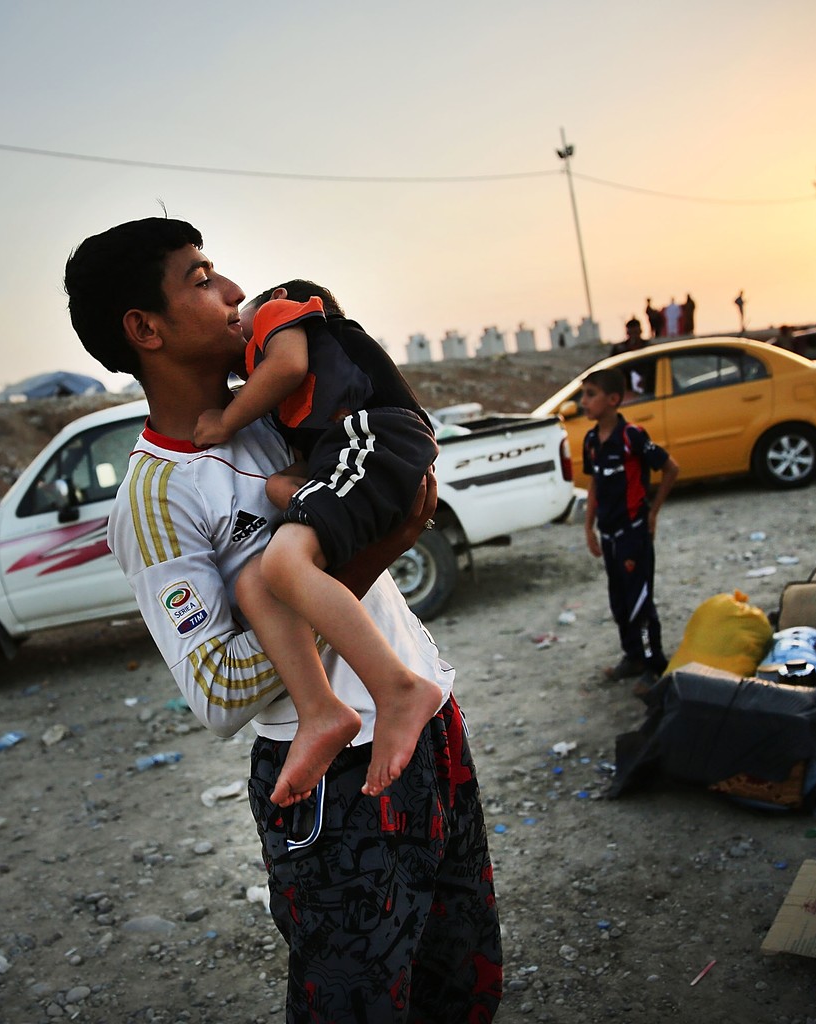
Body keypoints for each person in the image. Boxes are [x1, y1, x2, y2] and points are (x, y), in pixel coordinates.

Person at [63, 217, 503, 1021]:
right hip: (340, 787)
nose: (234, 295)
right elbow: (220, 692)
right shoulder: (157, 496)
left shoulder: (286, 413)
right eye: (201, 279)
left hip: (430, 728)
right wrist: (382, 549)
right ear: (144, 329)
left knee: (463, 988)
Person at [191, 280, 444, 806]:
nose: (234, 311)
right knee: (258, 583)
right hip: (356, 451)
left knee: (284, 564)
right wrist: (282, 488)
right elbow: (304, 470)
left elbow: (282, 366)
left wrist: (226, 420)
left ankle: (397, 688)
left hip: (379, 436)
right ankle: (320, 710)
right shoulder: (307, 404)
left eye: (243, 317)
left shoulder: (285, 315)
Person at [581, 367, 680, 685]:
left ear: (613, 399)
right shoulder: (592, 440)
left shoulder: (632, 436)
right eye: (583, 394)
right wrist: (589, 527)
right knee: (620, 602)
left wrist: (653, 514)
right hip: (609, 536)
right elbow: (595, 483)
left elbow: (670, 468)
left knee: (640, 601)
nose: (584, 402)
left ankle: (655, 666)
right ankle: (633, 657)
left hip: (633, 534)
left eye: (590, 394)